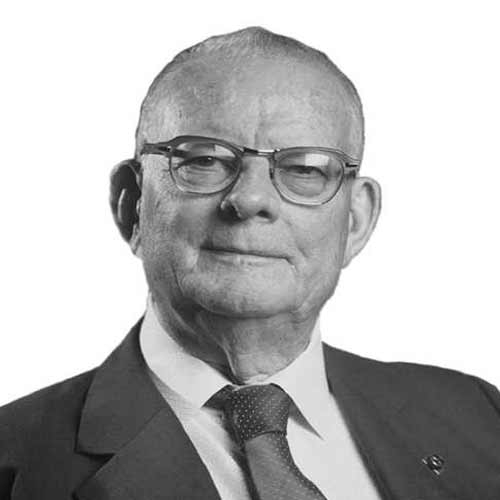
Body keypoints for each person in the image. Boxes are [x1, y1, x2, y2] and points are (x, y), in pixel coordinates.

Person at [0, 26, 499, 500]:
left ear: (355, 222)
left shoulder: (479, 417)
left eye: (303, 169)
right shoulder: (16, 463)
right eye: (204, 160)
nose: (250, 199)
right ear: (132, 205)